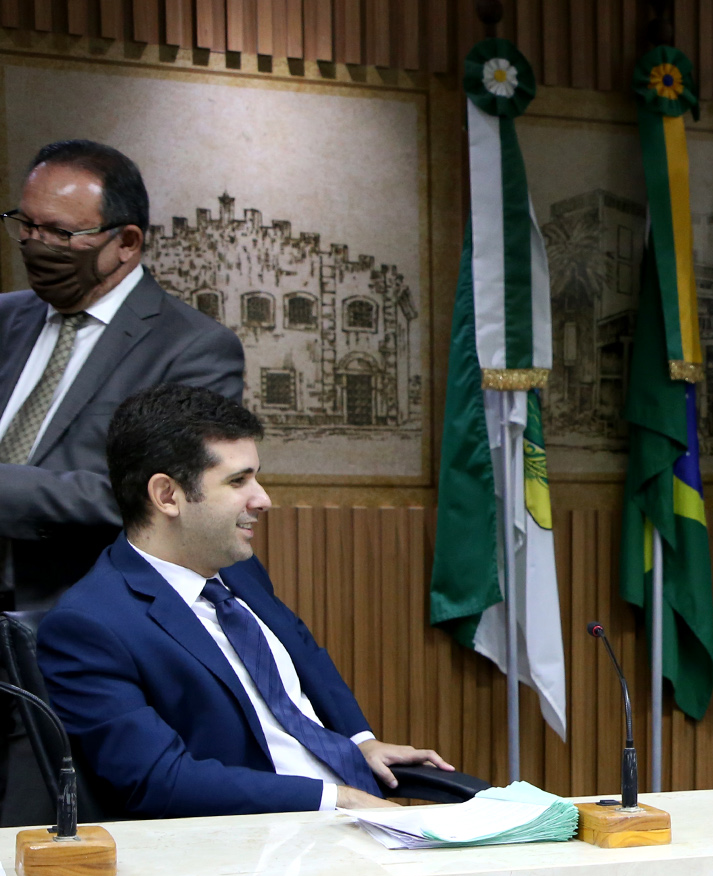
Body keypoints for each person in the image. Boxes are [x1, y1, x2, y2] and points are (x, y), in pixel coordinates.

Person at [37, 385, 448, 818]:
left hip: (357, 809)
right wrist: (336, 799)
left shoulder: (238, 570)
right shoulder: (89, 626)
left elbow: (305, 653)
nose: (263, 499)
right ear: (167, 496)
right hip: (264, 835)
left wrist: (361, 740)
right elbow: (159, 781)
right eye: (238, 481)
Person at [0, 139, 243, 617]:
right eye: (25, 225)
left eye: (61, 233)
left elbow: (168, 493)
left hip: (75, 617)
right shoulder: (5, 319)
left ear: (127, 242)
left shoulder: (193, 348)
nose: (36, 244)